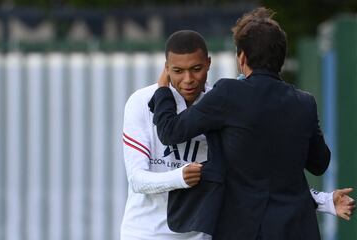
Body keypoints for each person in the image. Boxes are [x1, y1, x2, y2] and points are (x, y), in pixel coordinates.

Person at [121, 30, 355, 240]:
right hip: (145, 233)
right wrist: (179, 177)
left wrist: (324, 201)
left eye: (196, 69)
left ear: (210, 64)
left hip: (200, 234)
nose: (188, 79)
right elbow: (137, 179)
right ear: (166, 67)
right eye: (178, 71)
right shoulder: (142, 102)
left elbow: (251, 180)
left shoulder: (223, 103)